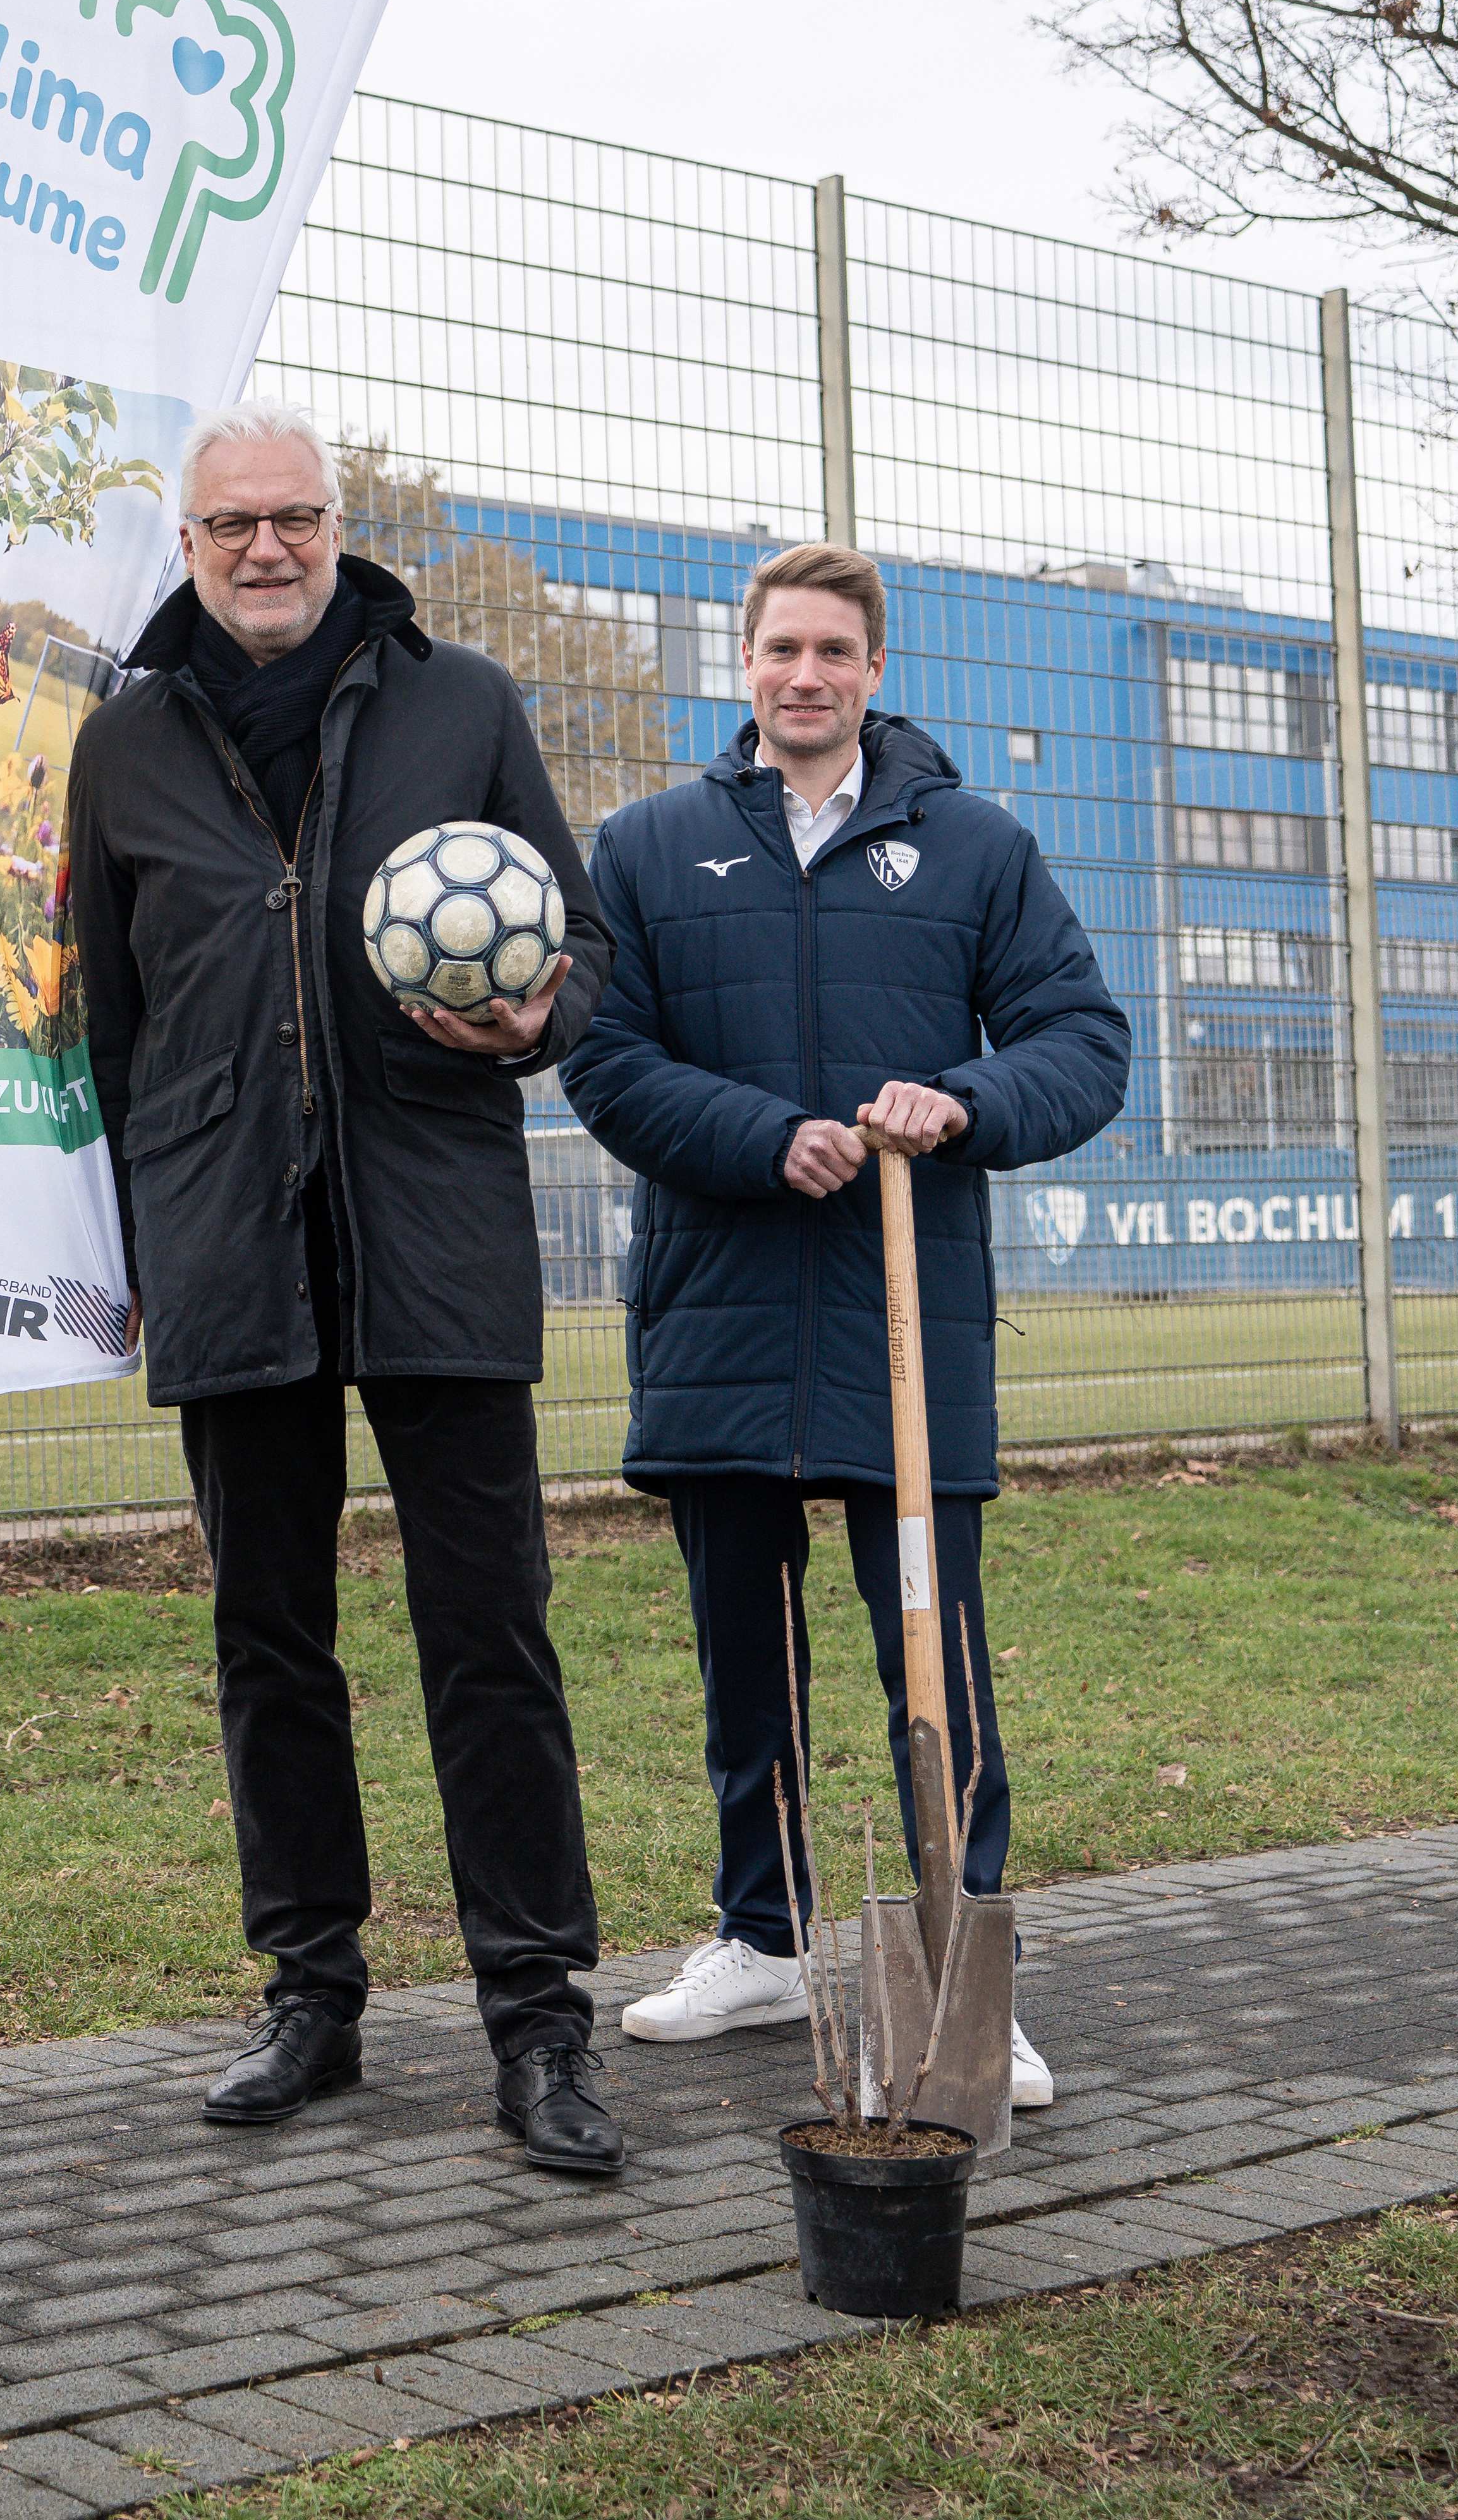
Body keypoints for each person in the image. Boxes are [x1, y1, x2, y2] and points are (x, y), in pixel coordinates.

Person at [64, 399, 629, 2174]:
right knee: (269, 1640)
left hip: (435, 1226)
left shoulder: (458, 701)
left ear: (336, 522)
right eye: (231, 524)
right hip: (231, 1240)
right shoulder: (126, 741)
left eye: (294, 517)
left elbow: (584, 945)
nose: (266, 549)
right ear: (188, 543)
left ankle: (538, 2017)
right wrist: (150, 1242)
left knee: (489, 1634)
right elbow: (114, 1024)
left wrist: (542, 1013)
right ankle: (311, 1997)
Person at [564, 540, 1128, 2098]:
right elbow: (600, 1058)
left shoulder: (973, 848)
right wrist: (764, 1134)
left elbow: (1084, 1040)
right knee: (745, 1656)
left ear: (876, 672)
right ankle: (762, 1936)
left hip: (906, 1312)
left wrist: (962, 1098)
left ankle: (965, 1969)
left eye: (833, 651)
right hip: (720, 1310)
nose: (803, 674)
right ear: (742, 664)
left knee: (934, 1655)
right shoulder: (654, 847)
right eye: (778, 649)